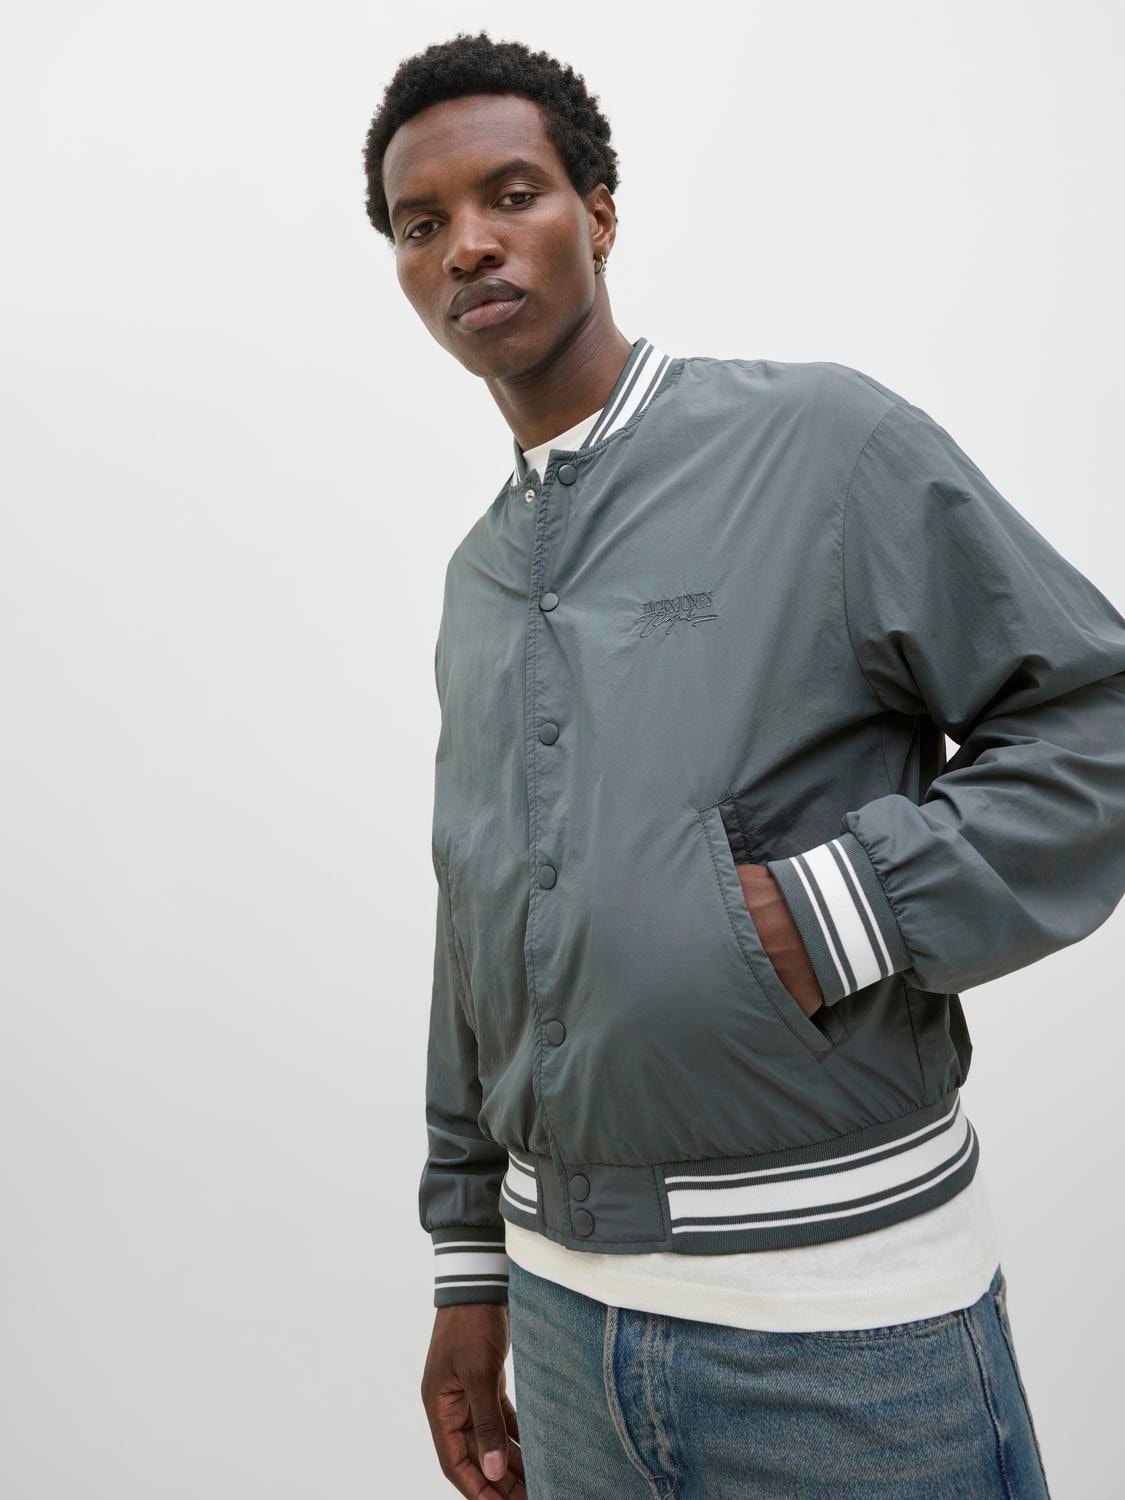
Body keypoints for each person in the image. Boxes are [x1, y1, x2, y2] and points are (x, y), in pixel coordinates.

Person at [364, 29, 1125, 1499]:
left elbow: (1098, 719)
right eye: (419, 223)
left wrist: (846, 907)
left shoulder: (821, 444)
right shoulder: (476, 578)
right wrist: (468, 1263)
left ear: (597, 213)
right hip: (561, 1331)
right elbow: (476, 914)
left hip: (842, 1338)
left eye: (510, 194)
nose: (466, 245)